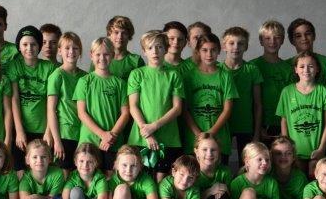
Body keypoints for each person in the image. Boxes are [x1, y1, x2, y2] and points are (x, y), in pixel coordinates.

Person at [127, 31, 185, 179]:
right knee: (141, 180)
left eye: (159, 47)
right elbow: (133, 106)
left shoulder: (174, 75)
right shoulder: (137, 74)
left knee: (162, 180)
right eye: (150, 48)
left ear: (166, 49)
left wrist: (154, 126)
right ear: (144, 51)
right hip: (141, 137)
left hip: (168, 137)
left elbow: (177, 108)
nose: (155, 51)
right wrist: (147, 132)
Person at [74, 37, 129, 169]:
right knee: (89, 175)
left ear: (113, 55)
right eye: (98, 54)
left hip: (113, 142)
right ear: (91, 55)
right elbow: (81, 113)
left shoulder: (120, 83)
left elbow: (125, 113)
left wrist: (111, 136)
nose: (102, 58)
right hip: (89, 141)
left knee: (110, 176)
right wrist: (103, 134)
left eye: (106, 54)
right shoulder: (84, 81)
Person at [182, 32, 237, 159]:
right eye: (205, 50)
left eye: (213, 50)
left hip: (219, 137)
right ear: (198, 51)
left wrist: (211, 133)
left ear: (219, 51)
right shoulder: (188, 77)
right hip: (194, 138)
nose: (209, 54)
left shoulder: (225, 76)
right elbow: (184, 109)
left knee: (221, 171)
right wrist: (198, 134)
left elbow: (228, 109)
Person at [6, 25, 56, 164]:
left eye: (33, 44)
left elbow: (52, 103)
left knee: (42, 166)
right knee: (20, 169)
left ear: (39, 46)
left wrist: (49, 131)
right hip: (21, 128)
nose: (29, 48)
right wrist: (19, 130)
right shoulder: (14, 66)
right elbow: (14, 99)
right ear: (19, 46)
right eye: (25, 44)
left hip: (43, 128)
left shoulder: (49, 67)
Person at [276, 51, 326, 174]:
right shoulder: (287, 92)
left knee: (318, 181)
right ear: (296, 69)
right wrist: (287, 147)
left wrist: (322, 148)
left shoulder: (324, 91)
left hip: (316, 151)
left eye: (310, 66)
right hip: (295, 152)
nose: (306, 70)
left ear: (317, 69)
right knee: (297, 180)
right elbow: (284, 121)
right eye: (302, 66)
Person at [221, 27, 262, 160]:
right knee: (222, 162)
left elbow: (257, 104)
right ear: (224, 46)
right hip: (223, 126)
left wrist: (256, 133)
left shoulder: (252, 70)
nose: (236, 47)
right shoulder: (218, 70)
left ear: (246, 47)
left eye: (240, 43)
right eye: (231, 43)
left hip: (246, 127)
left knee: (246, 164)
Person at [47, 32, 87, 169]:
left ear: (80, 51)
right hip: (64, 134)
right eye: (67, 48)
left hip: (82, 133)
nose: (71, 51)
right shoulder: (57, 75)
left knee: (79, 172)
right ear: (59, 51)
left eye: (75, 48)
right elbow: (51, 110)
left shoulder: (85, 77)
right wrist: (57, 140)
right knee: (64, 172)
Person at [249, 20, 294, 141]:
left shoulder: (288, 68)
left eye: (277, 38)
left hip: (283, 124)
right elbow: (249, 100)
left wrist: (285, 128)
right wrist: (257, 128)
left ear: (282, 40)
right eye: (267, 38)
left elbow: (290, 100)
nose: (272, 42)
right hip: (258, 124)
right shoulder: (252, 66)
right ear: (261, 41)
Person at [286, 18, 326, 84]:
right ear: (292, 40)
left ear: (314, 36)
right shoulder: (286, 65)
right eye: (298, 36)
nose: (304, 38)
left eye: (307, 34)